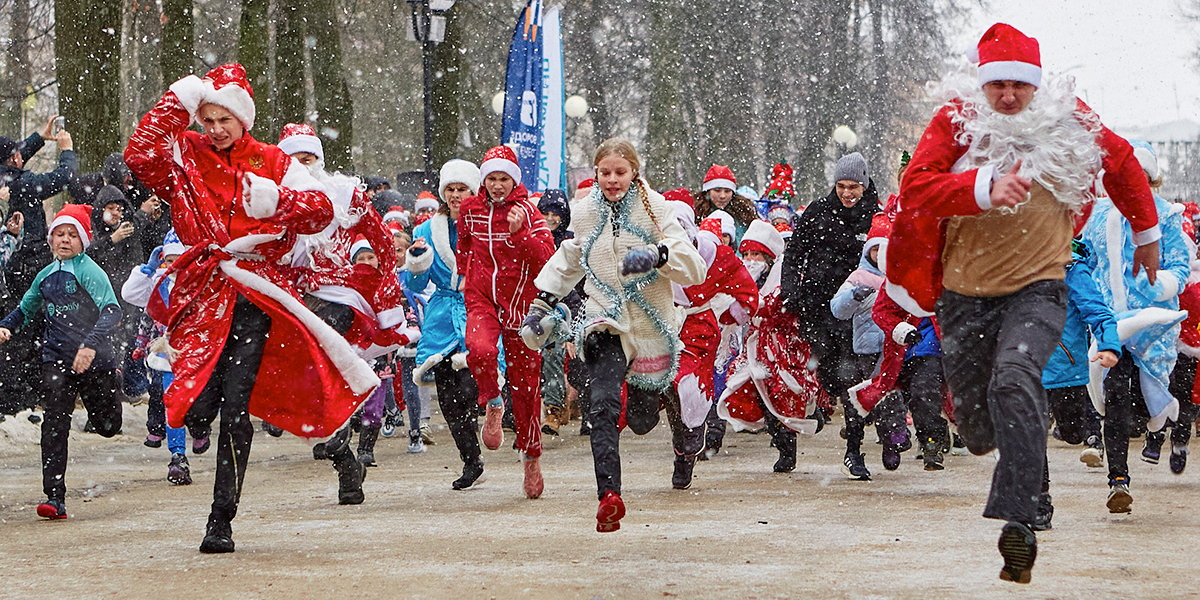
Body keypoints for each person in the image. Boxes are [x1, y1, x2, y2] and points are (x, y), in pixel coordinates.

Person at [886, 24, 1160, 583]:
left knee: (1016, 375)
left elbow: (1122, 161)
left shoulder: (1068, 117)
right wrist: (982, 188)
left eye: (1019, 86)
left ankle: (1021, 519)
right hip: (965, 296)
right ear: (982, 84)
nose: (1008, 97)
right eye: (998, 86)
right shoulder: (957, 123)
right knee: (978, 424)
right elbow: (916, 189)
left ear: (1037, 85)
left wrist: (1147, 229)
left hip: (1039, 286)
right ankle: (987, 436)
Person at [125, 64, 379, 553]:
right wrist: (180, 98)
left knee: (237, 407)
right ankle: (201, 417)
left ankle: (221, 519)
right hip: (201, 291)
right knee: (196, 403)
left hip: (255, 293)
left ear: (245, 120)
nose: (215, 129)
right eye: (208, 119)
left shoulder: (272, 160)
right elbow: (139, 154)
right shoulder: (184, 154)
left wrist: (277, 202)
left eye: (225, 119)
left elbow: (322, 210)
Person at [526, 138, 705, 532]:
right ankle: (609, 496)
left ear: (634, 172)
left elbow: (694, 269)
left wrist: (659, 255)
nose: (611, 179)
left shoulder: (657, 209)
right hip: (604, 320)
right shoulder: (585, 211)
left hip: (651, 325)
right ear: (595, 173)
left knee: (640, 421)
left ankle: (661, 414)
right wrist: (542, 300)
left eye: (619, 172)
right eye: (604, 172)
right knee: (603, 404)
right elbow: (572, 256)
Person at [1080, 140, 1189, 515]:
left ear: (1150, 181)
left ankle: (1159, 424)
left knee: (1146, 398)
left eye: (1138, 178)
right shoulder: (1095, 218)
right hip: (1110, 322)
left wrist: (1161, 285)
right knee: (1115, 394)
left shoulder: (1165, 217)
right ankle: (1118, 480)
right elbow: (1082, 258)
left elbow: (1180, 265)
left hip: (1152, 323)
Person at [0, 204, 122, 519]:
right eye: (59, 234)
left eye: (72, 235)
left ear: (82, 240)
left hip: (93, 360)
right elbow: (26, 308)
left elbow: (112, 311)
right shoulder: (46, 275)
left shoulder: (89, 271)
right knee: (54, 424)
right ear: (51, 239)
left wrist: (90, 346)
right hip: (56, 359)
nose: (64, 240)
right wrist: (6, 326)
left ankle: (112, 398)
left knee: (109, 426)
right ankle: (55, 497)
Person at [458, 145, 555, 499]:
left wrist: (518, 234)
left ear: (514, 180)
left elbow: (547, 259)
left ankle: (531, 456)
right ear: (483, 180)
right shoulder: (469, 209)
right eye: (492, 178)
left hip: (522, 305)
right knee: (479, 350)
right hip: (482, 297)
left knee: (527, 389)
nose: (497, 186)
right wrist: (465, 275)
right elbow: (465, 245)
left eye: (504, 179)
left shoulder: (529, 211)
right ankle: (492, 401)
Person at [779, 151, 878, 478]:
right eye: (841, 186)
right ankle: (801, 429)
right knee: (825, 374)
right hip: (818, 307)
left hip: (857, 310)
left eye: (853, 187)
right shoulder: (818, 213)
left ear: (864, 185)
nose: (847, 193)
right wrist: (791, 290)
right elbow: (793, 255)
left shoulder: (875, 218)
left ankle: (854, 449)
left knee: (853, 379)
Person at [406, 159, 487, 488]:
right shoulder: (426, 231)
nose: (456, 195)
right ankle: (471, 459)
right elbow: (414, 286)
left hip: (475, 310)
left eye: (462, 189)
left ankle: (488, 419)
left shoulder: (486, 224)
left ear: (473, 191)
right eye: (450, 189)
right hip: (441, 316)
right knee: (449, 399)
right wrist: (416, 261)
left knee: (469, 389)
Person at [666, 197, 758, 486]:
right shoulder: (654, 255)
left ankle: (691, 437)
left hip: (698, 330)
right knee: (666, 393)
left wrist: (731, 316)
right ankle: (682, 447)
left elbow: (747, 292)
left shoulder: (715, 255)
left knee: (686, 384)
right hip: (659, 326)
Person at [122, 229, 195, 484]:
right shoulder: (159, 282)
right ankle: (177, 457)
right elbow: (130, 294)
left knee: (196, 405)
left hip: (195, 355)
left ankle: (199, 430)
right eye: (169, 260)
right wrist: (147, 269)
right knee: (172, 405)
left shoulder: (198, 281)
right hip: (167, 356)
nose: (173, 265)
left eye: (179, 259)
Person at [693, 165, 757, 246]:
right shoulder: (696, 213)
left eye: (727, 191)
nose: (722, 196)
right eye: (717, 190)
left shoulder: (744, 212)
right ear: (708, 191)